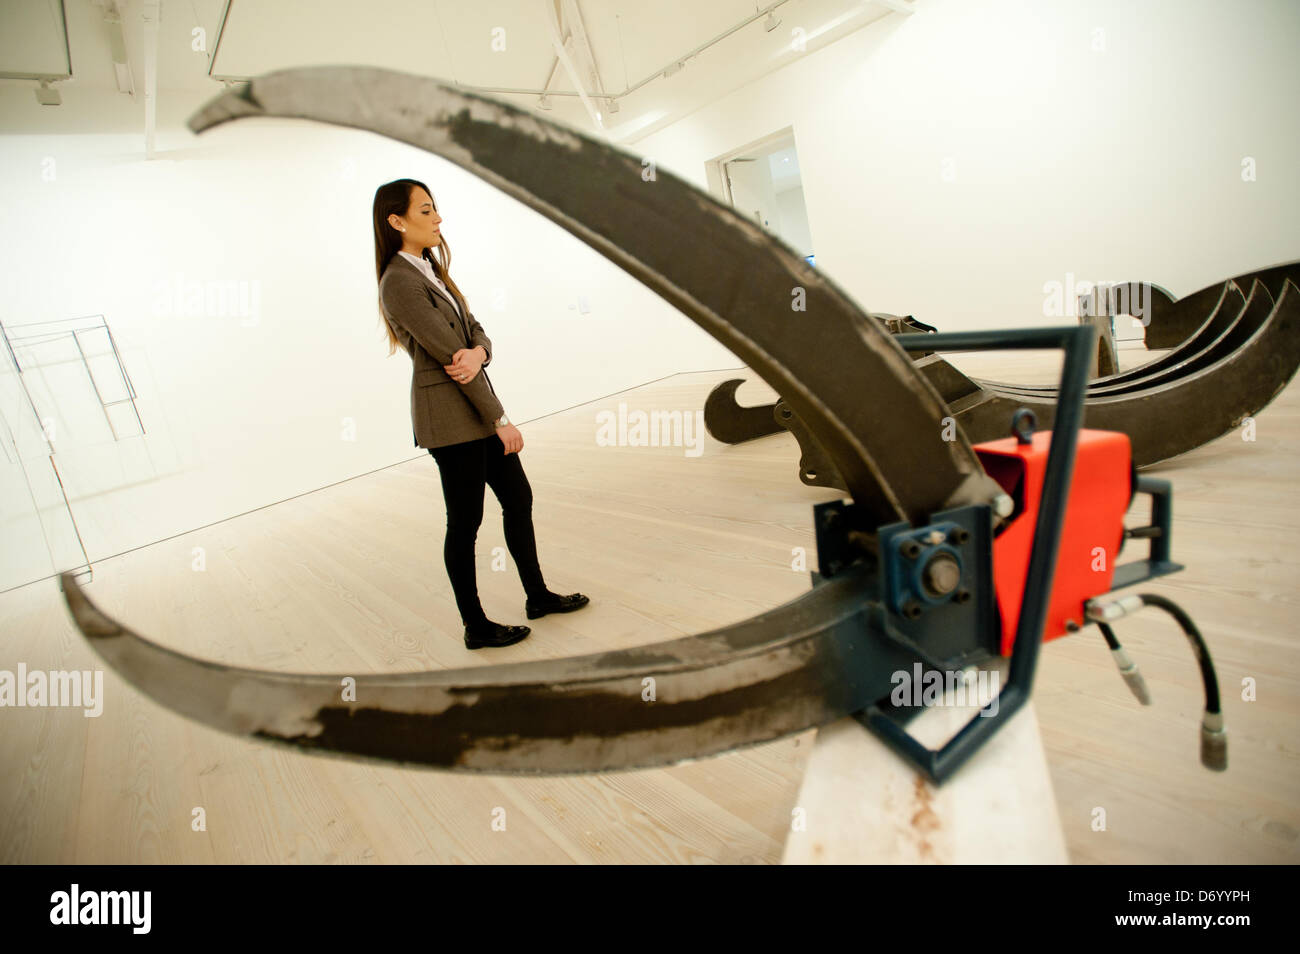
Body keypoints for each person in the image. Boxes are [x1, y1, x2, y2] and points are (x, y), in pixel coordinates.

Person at [372, 178, 589, 649]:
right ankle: (476, 625)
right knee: (466, 522)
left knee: (519, 498)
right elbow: (454, 359)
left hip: (474, 406)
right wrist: (500, 418)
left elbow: (474, 330)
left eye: (435, 209)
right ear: (397, 221)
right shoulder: (398, 282)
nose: (438, 219)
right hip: (450, 421)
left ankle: (538, 596)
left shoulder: (430, 267)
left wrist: (482, 353)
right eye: (426, 210)